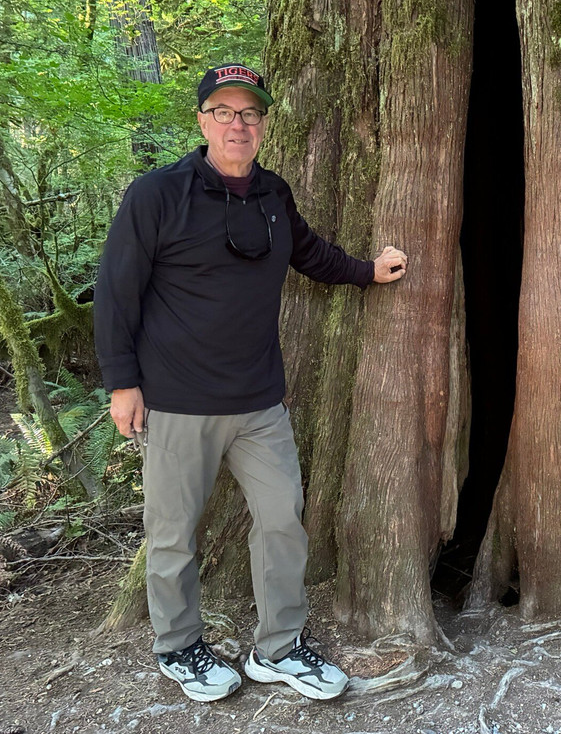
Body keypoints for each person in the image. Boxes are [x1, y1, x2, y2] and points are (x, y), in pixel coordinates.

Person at [94, 63, 407, 703]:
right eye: (224, 112)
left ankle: (279, 650)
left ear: (262, 124)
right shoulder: (157, 194)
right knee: (175, 533)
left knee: (281, 521)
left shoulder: (273, 194)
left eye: (249, 114)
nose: (237, 125)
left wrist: (367, 272)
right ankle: (178, 647)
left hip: (260, 401)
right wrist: (122, 383)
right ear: (202, 120)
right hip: (178, 401)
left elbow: (310, 252)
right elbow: (115, 292)